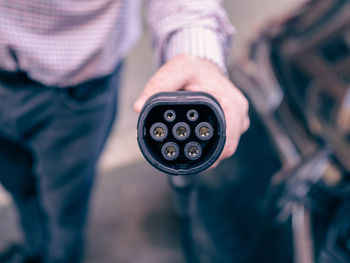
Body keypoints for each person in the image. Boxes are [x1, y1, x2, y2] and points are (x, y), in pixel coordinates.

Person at [0, 1, 249, 262]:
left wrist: (195, 53)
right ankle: (35, 248)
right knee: (20, 188)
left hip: (74, 91)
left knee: (63, 206)